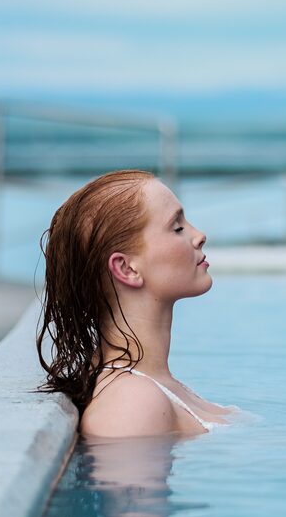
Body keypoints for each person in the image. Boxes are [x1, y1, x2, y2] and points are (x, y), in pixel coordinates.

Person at [37, 169, 233, 437]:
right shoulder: (133, 404)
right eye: (177, 228)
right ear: (127, 268)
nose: (199, 235)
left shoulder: (153, 386)